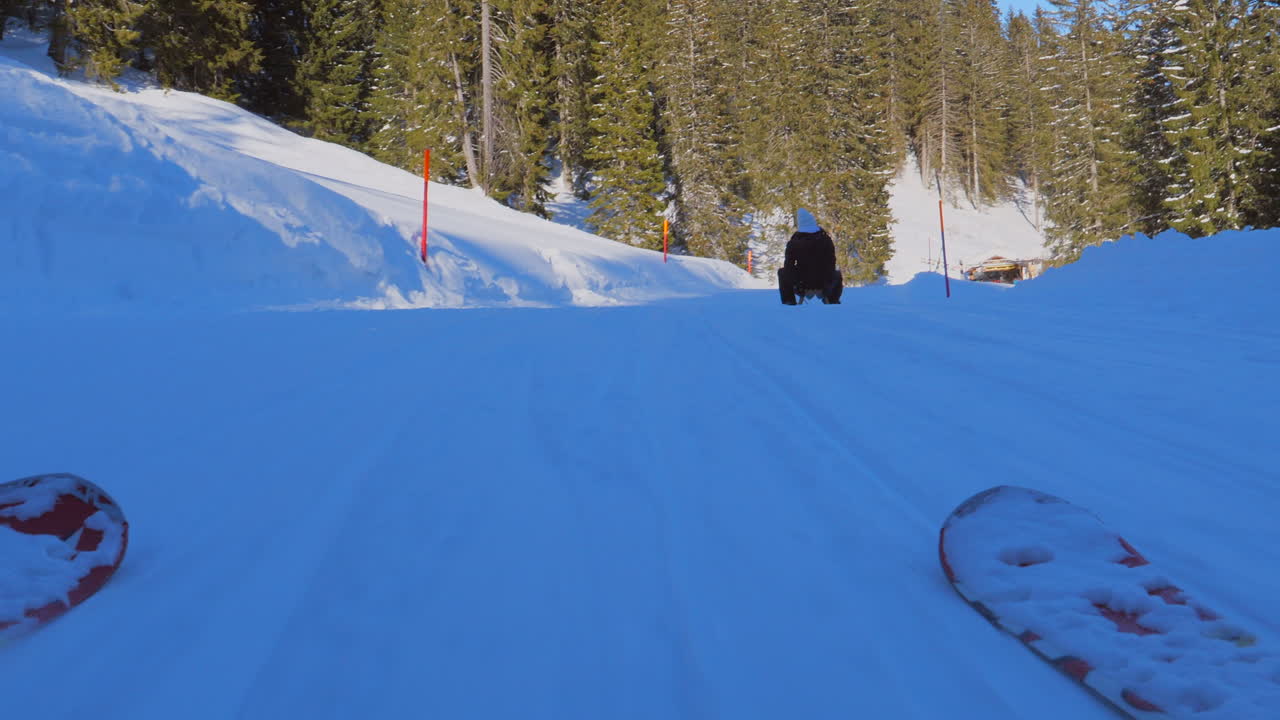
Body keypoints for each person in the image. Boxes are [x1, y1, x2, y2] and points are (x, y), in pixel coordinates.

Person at [778, 208, 843, 305]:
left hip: (802, 282)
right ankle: (833, 300)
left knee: (782, 272)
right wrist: (827, 283)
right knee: (837, 274)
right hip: (823, 282)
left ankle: (789, 301)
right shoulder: (826, 239)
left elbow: (789, 266)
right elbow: (831, 262)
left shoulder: (794, 242)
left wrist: (797, 284)